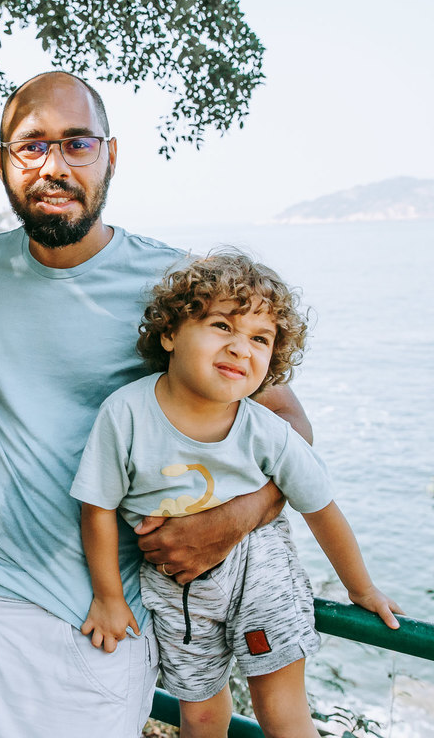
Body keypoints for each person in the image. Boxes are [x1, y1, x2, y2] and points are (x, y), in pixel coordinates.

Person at [0, 70, 313, 738]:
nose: (54, 166)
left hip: (85, 624)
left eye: (77, 144)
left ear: (111, 155)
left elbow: (288, 424)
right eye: (31, 146)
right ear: (3, 163)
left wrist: (237, 517)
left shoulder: (175, 287)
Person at [71, 252, 402, 738]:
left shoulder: (266, 430)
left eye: (260, 338)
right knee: (201, 717)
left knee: (281, 707)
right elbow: (96, 507)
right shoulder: (125, 414)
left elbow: (322, 510)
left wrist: (361, 589)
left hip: (261, 568)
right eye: (222, 326)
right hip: (174, 584)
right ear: (169, 334)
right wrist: (108, 597)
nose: (240, 348)